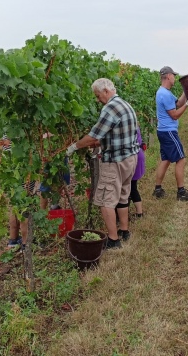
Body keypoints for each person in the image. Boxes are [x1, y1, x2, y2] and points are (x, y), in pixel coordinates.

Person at [66, 78, 139, 250]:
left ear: (106, 91)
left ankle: (113, 240)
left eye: (98, 96)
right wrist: (100, 143)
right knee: (122, 196)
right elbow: (118, 133)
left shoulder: (110, 108)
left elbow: (94, 136)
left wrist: (73, 147)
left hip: (115, 161)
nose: (98, 100)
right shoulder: (125, 104)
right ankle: (124, 231)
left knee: (107, 200)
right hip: (130, 159)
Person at [152, 66, 188, 201]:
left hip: (163, 131)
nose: (175, 78)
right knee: (180, 159)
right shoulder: (164, 94)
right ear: (168, 76)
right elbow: (175, 115)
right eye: (174, 76)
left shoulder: (164, 92)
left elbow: (177, 103)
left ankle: (158, 189)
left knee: (165, 160)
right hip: (169, 132)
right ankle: (181, 192)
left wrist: (186, 90)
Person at [117, 127, 146, 220]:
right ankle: (138, 212)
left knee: (131, 187)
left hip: (133, 157)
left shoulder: (126, 128)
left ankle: (139, 213)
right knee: (132, 186)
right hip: (138, 155)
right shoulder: (134, 125)